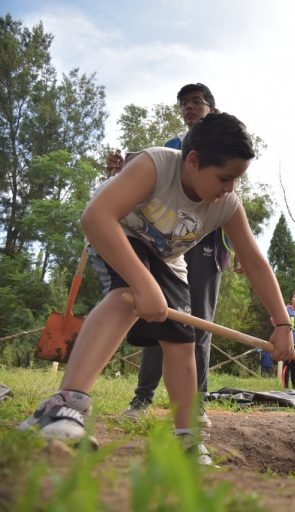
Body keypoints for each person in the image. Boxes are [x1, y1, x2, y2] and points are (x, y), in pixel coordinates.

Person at [19, 113, 294, 464]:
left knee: (182, 340)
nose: (230, 189)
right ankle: (64, 406)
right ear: (193, 161)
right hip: (121, 237)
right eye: (225, 178)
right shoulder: (155, 165)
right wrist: (143, 283)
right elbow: (96, 217)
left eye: (237, 180)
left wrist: (282, 322)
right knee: (125, 298)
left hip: (168, 260)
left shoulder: (227, 203)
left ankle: (188, 439)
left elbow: (255, 262)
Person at [116, 83, 225, 427]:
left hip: (206, 241)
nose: (189, 107)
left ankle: (198, 405)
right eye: (184, 103)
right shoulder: (170, 149)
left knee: (200, 322)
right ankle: (142, 399)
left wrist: (231, 250)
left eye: (196, 101)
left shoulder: (225, 140)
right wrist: (120, 175)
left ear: (211, 107)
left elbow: (229, 199)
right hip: (167, 242)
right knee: (157, 314)